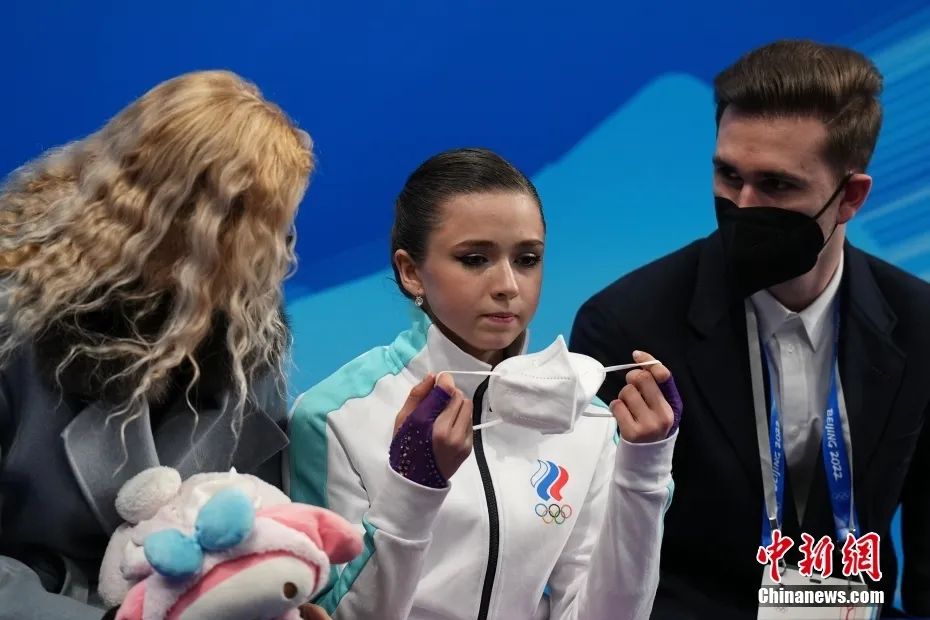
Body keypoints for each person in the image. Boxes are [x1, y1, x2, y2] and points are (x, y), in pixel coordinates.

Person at [570, 40, 930, 618]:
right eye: (728, 175)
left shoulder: (920, 325)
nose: (742, 204)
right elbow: (595, 558)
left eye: (776, 185)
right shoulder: (626, 326)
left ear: (850, 197)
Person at [289, 147, 683, 620]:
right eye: (475, 259)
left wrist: (644, 472)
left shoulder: (590, 422)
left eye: (527, 259)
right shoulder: (333, 416)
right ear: (411, 272)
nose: (508, 285)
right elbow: (331, 615)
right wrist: (412, 489)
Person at [0, 70, 315, 619]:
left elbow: (252, 520)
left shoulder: (250, 338)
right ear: (191, 220)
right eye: (265, 230)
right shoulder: (13, 320)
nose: (278, 253)